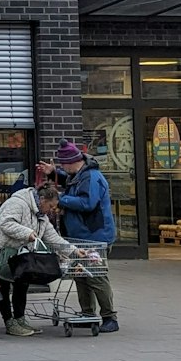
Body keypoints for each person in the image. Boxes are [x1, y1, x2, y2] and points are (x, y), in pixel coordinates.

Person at [0, 181, 83, 337]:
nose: (52, 211)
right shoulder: (17, 203)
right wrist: (27, 233)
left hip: (17, 254)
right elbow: (6, 223)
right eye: (51, 207)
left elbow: (53, 238)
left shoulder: (42, 217)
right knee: (2, 285)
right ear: (43, 200)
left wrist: (75, 251)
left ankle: (20, 319)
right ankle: (9, 322)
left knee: (22, 282)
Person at [54, 142, 118, 333]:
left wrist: (60, 199)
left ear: (72, 162)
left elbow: (87, 203)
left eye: (63, 164)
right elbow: (70, 181)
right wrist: (52, 173)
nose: (62, 168)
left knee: (96, 277)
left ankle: (109, 317)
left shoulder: (91, 177)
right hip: (82, 236)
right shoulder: (80, 175)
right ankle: (87, 313)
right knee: (81, 276)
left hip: (95, 236)